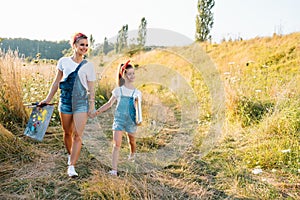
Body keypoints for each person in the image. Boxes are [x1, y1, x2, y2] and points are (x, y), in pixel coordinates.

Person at [40, 32, 96, 177]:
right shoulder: (63, 61)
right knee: (67, 133)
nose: (84, 47)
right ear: (74, 45)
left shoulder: (88, 66)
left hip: (81, 103)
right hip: (65, 102)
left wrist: (91, 105)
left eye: (86, 45)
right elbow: (56, 82)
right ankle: (70, 154)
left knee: (78, 135)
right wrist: (47, 99)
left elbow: (91, 89)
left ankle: (71, 166)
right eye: (81, 44)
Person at [91, 60, 142, 176]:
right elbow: (109, 104)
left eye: (133, 73)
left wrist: (139, 119)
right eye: (129, 74)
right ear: (123, 75)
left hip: (131, 120)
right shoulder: (118, 90)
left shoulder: (136, 92)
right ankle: (114, 169)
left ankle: (132, 154)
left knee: (131, 141)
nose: (132, 76)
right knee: (117, 144)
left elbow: (138, 108)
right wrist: (97, 112)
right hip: (119, 120)